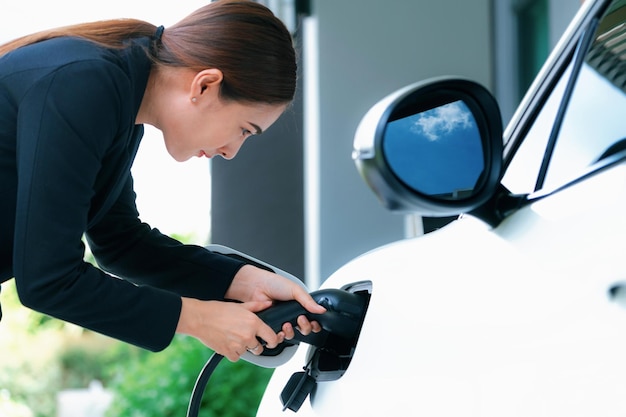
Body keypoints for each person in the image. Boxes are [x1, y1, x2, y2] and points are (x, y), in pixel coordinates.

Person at [0, 0, 326, 362]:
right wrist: (200, 319)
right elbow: (49, 280)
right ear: (205, 85)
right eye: (243, 130)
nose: (232, 151)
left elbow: (120, 243)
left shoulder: (118, 98)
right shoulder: (84, 84)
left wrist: (246, 281)